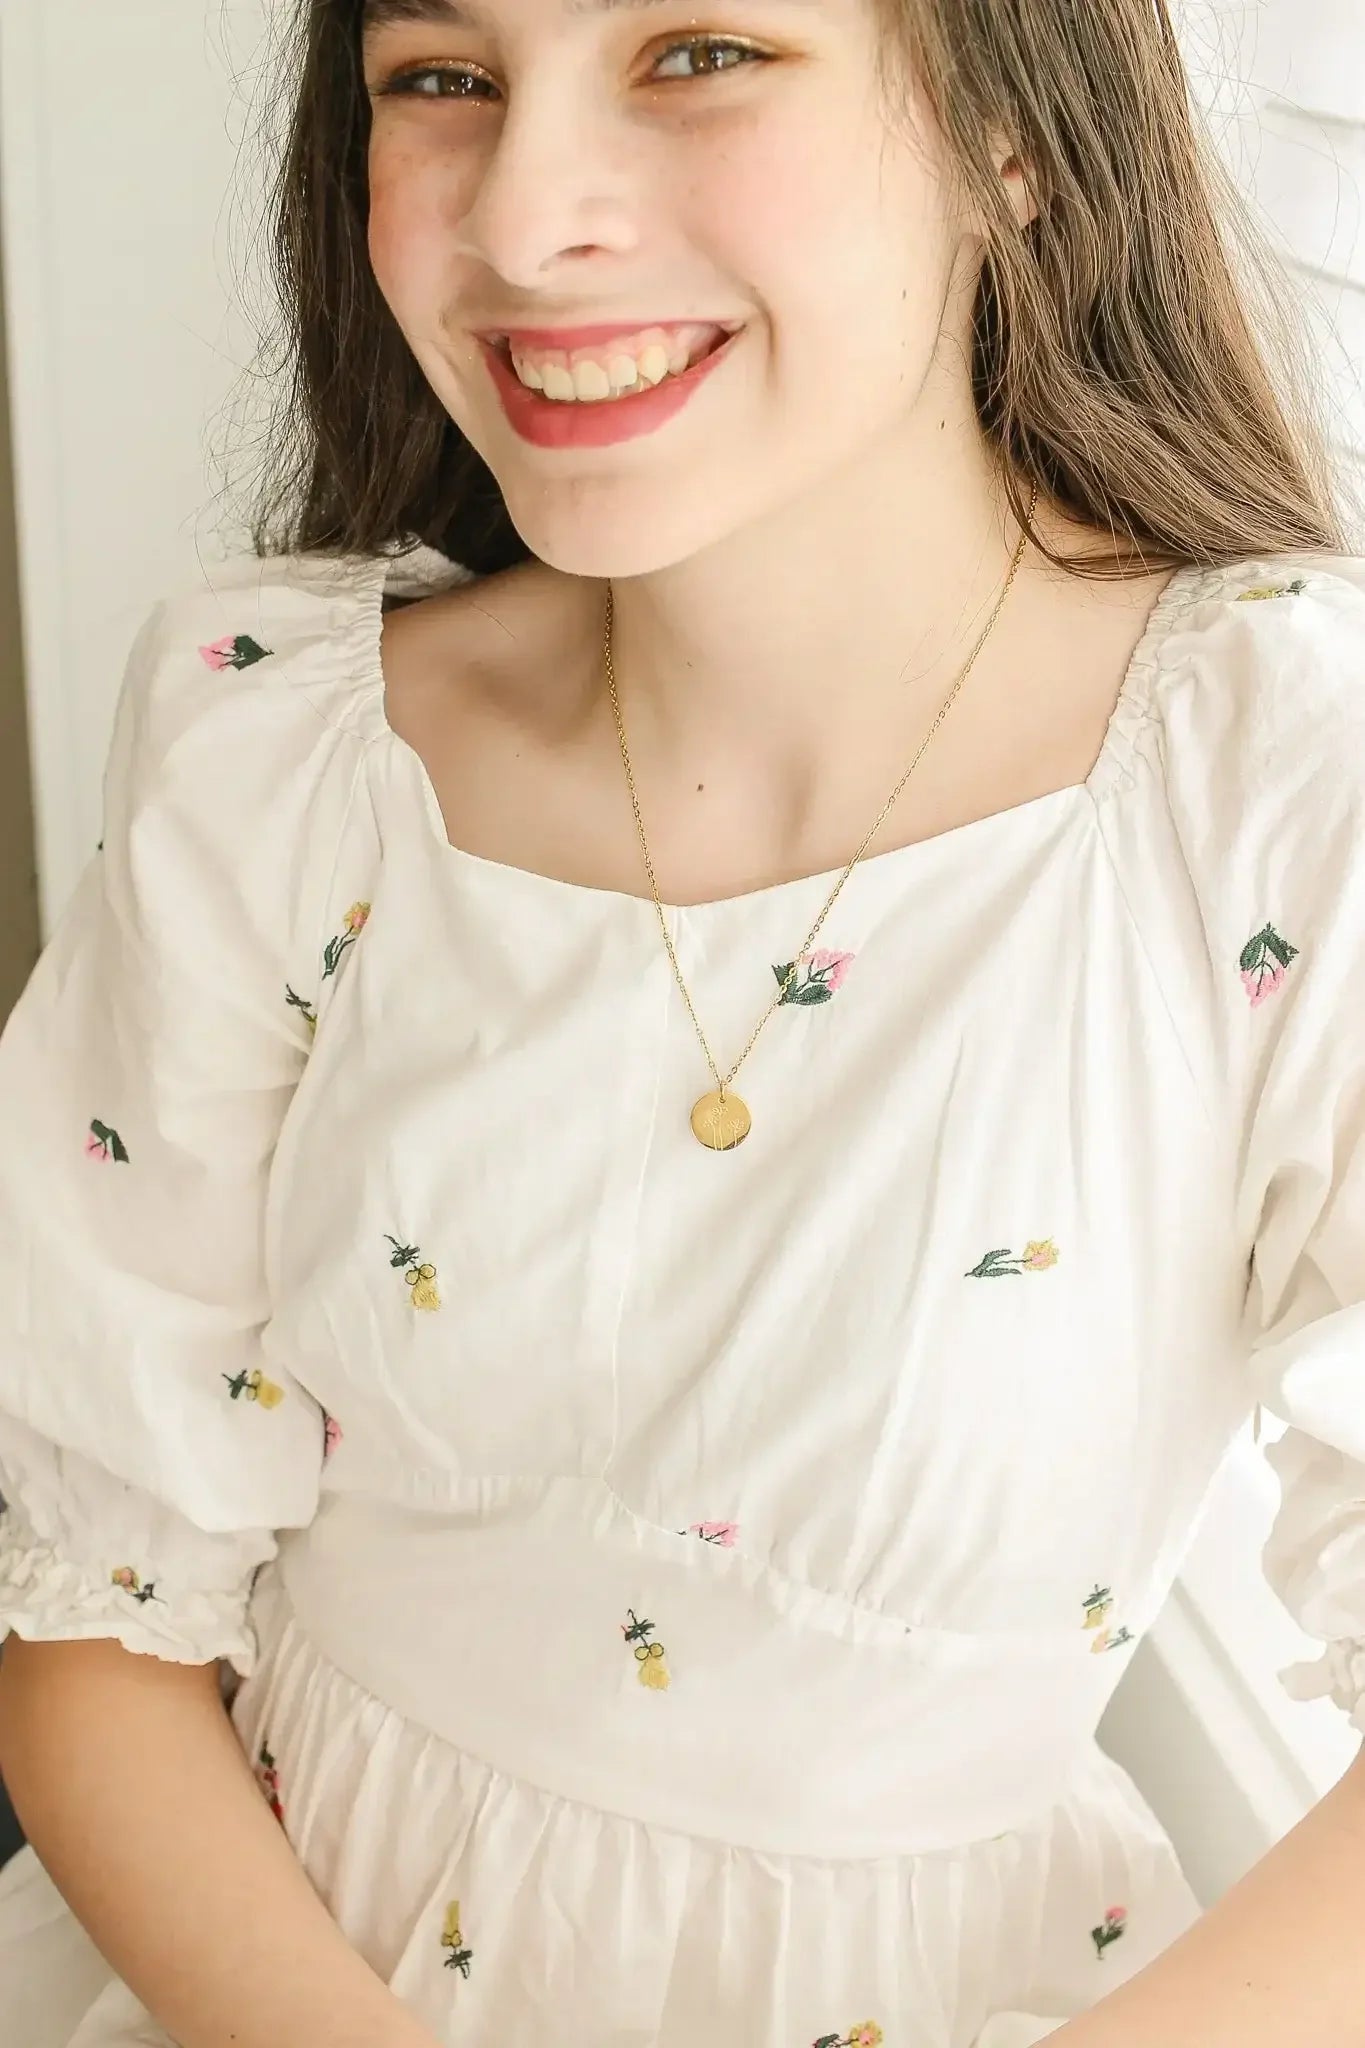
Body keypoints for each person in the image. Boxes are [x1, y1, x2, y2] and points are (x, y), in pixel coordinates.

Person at [0, 0, 1363, 2041]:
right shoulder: (274, 754)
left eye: (696, 52)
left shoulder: (1274, 786)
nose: (525, 220)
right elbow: (93, 1630)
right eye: (439, 79)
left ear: (1011, 129)